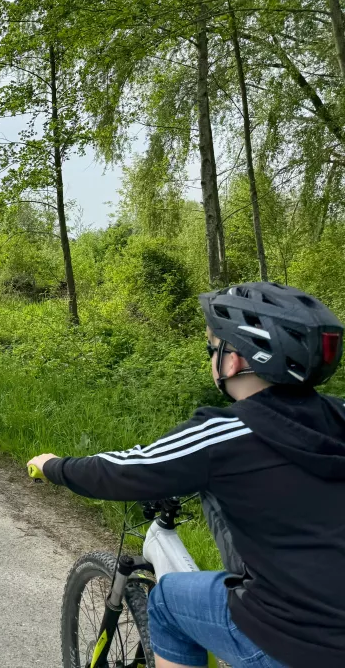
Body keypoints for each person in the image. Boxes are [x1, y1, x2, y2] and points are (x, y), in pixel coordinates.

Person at [27, 282, 345, 668]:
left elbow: (125, 469)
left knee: (166, 601)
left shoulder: (226, 432)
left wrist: (53, 466)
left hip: (299, 641)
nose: (213, 357)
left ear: (233, 361)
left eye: (214, 348)